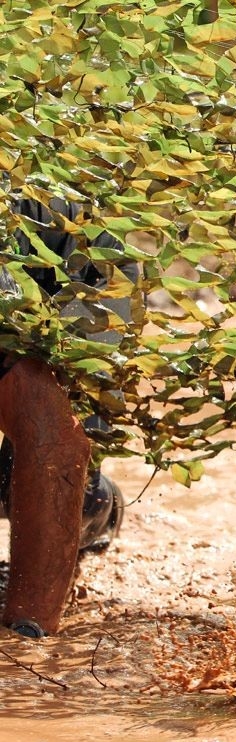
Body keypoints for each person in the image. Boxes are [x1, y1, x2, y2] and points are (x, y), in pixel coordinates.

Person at [0, 196, 130, 638]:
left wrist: (27, 633)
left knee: (75, 491)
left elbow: (53, 440)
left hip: (81, 287)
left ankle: (99, 516)